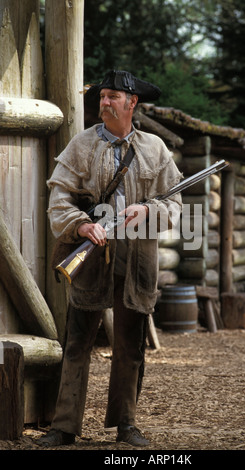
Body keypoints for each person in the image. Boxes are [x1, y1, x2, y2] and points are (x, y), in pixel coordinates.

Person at [37, 70, 182, 448]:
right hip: (91, 253)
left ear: (132, 104)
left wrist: (148, 213)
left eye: (113, 96)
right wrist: (83, 226)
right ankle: (64, 426)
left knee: (130, 343)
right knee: (78, 339)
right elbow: (59, 199)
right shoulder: (81, 145)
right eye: (102, 96)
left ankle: (127, 424)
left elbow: (175, 204)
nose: (104, 101)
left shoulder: (155, 149)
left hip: (137, 255)